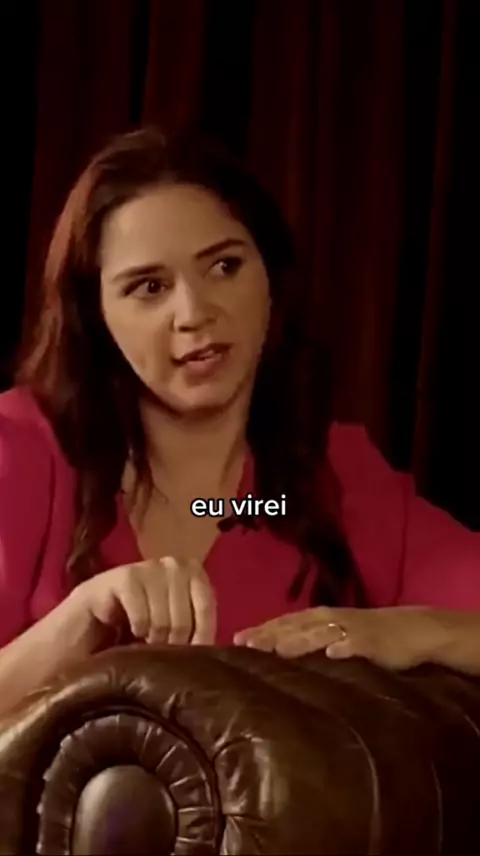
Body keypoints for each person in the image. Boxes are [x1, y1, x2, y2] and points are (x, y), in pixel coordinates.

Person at [0, 127, 479, 717]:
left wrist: (415, 630)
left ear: (271, 278)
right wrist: (77, 623)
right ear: (95, 314)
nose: (195, 312)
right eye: (149, 287)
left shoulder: (337, 475)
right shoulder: (21, 450)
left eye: (224, 266)